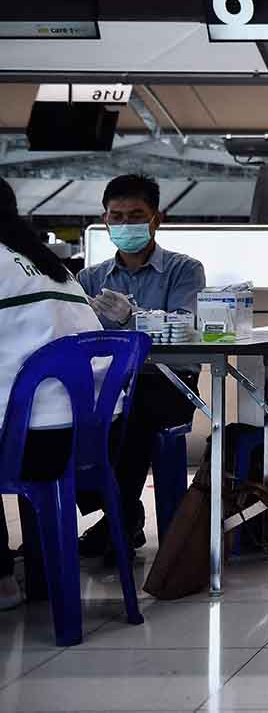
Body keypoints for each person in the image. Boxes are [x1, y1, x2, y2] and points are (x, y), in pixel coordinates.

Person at [77, 174, 205, 559]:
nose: (125, 224)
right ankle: (121, 513)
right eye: (117, 216)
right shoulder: (90, 278)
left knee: (131, 417)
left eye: (136, 215)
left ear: (157, 219)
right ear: (105, 219)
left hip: (167, 382)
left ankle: (119, 518)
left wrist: (133, 317)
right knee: (66, 420)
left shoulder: (185, 270)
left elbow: (183, 327)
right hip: (107, 384)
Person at [0, 179, 109, 609]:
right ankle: (39, 576)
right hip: (85, 438)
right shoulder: (51, 267)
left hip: (28, 443)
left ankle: (2, 579)